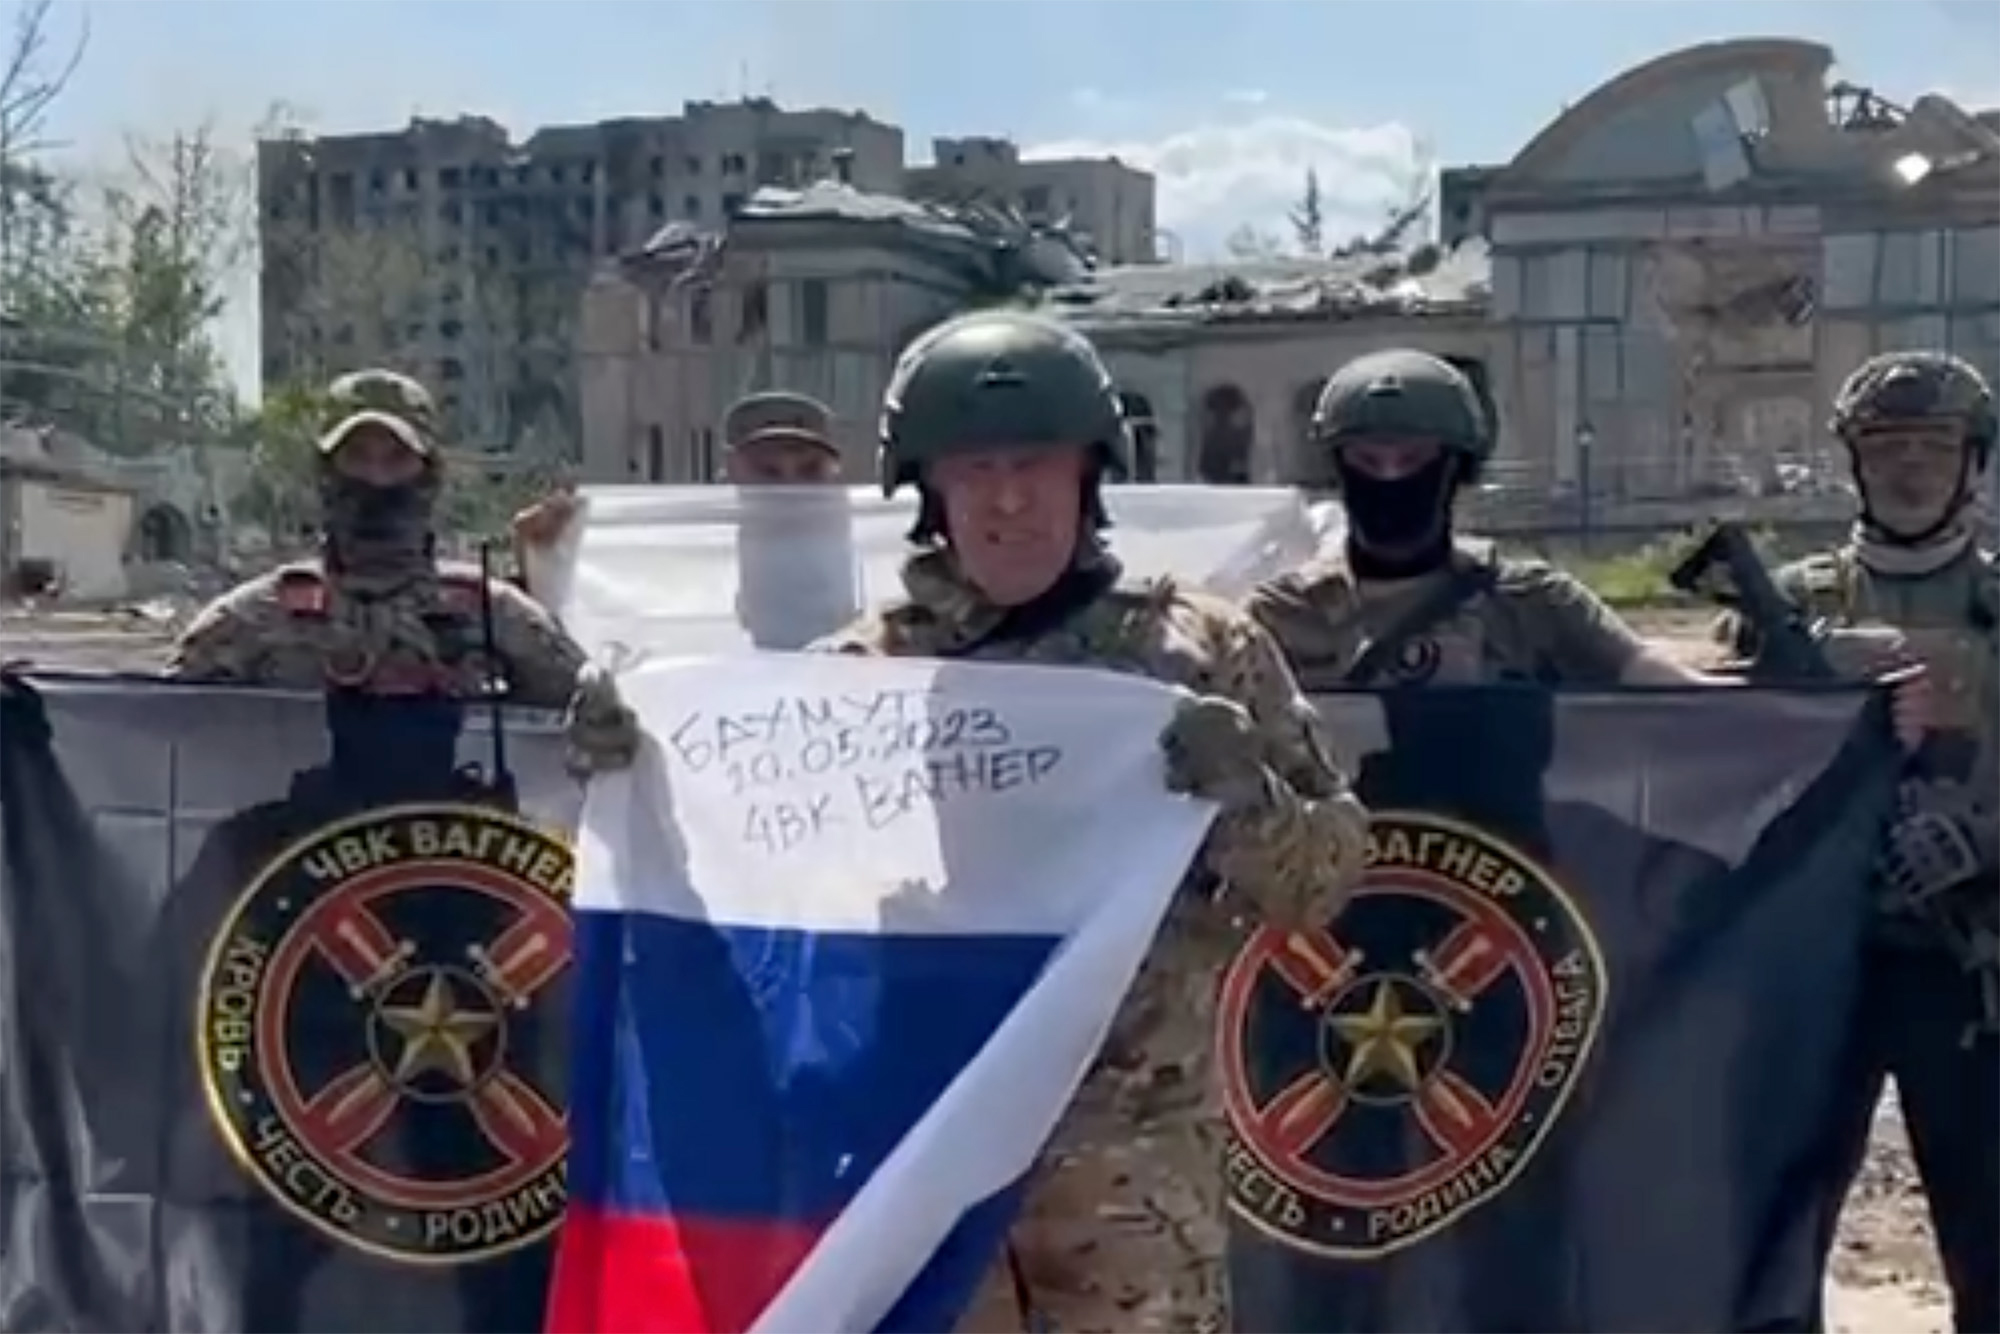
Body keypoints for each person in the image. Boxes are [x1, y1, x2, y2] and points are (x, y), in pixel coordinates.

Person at [802, 309, 1370, 1332]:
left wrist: (1245, 796)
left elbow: (1324, 879)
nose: (1008, 500)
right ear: (927, 489)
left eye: (1036, 464)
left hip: (1131, 1169)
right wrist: (637, 768)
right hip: (926, 1152)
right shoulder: (861, 677)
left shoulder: (1195, 652)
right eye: (973, 469)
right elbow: (755, 871)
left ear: (1089, 474)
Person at [1726, 351, 1997, 1334]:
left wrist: (1978, 836)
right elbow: (1705, 766)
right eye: (1886, 445)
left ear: (1973, 461)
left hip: (1963, 967)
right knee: (1772, 1232)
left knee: (1987, 1233)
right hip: (1813, 965)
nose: (1910, 466)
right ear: (1852, 461)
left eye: (1934, 445)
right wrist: (1788, 686)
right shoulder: (1787, 604)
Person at [1248, 348, 1929, 734]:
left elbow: (1677, 699)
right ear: (1334, 468)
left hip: (1506, 906)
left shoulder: (1529, 600)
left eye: (1413, 460)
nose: (1390, 480)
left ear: (1459, 468)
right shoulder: (1277, 619)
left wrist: (1833, 693)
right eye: (1367, 462)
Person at [164, 368, 635, 771]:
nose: (376, 479)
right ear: (326, 473)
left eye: (396, 459)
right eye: (357, 458)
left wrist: (601, 722)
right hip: (295, 861)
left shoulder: (497, 616)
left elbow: (604, 740)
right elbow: (151, 743)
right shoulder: (253, 620)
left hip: (465, 859)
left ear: (429, 475)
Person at [509, 389, 845, 556]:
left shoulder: (869, 560)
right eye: (767, 472)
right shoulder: (682, 558)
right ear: (729, 474)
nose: (790, 488)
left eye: (810, 470)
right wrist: (549, 556)